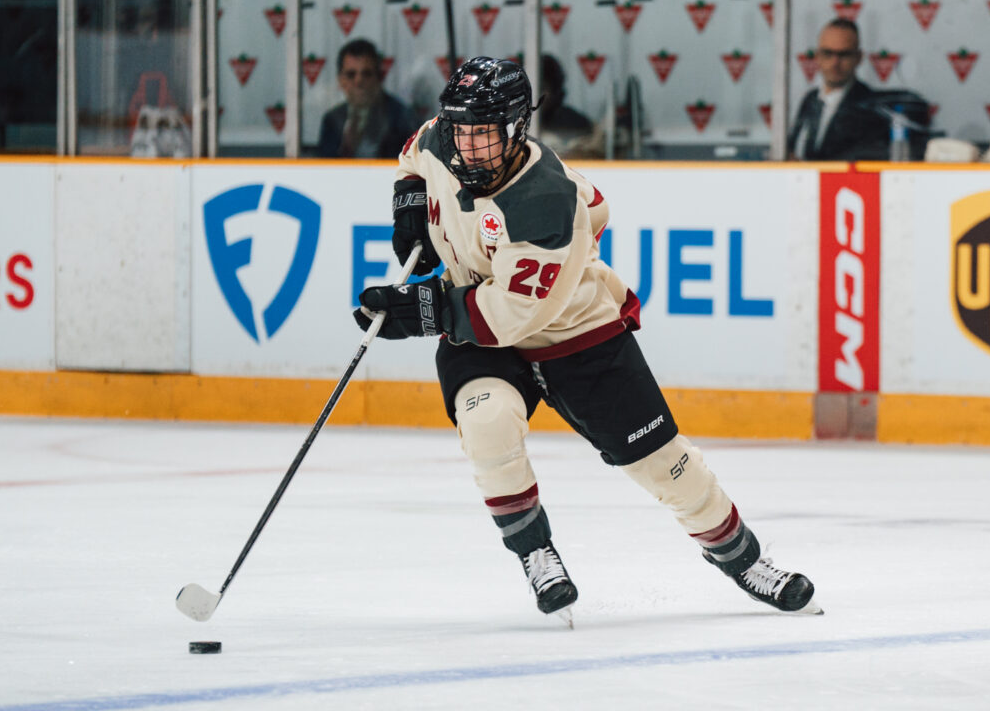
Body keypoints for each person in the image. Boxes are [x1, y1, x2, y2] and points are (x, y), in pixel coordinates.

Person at [352, 56, 821, 624]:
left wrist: (420, 310)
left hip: (573, 331)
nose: (469, 147)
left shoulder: (545, 203)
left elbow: (508, 316)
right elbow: (413, 162)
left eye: (484, 134)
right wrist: (410, 217)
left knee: (665, 465)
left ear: (517, 127)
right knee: (486, 421)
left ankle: (744, 560)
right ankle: (535, 553)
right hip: (477, 327)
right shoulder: (441, 135)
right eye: (462, 131)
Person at [788, 18, 890, 161]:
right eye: (827, 53)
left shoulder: (871, 106)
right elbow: (791, 148)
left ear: (858, 57)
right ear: (817, 56)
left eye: (844, 55)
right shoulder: (810, 99)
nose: (834, 63)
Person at [316, 38, 420, 159]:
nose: (359, 81)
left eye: (367, 74)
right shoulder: (332, 120)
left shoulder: (402, 118)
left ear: (379, 77)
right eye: (351, 75)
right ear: (340, 80)